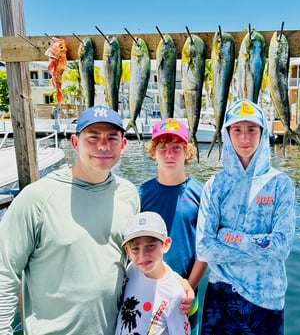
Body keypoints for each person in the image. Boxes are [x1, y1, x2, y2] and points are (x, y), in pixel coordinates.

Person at [0, 106, 192, 335]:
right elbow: (5, 272)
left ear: (123, 145)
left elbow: (136, 256)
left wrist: (176, 281)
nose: (102, 146)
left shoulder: (128, 194)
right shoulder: (36, 198)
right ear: (74, 142)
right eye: (93, 137)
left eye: (112, 138)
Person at [196, 99, 296, 335]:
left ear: (262, 132)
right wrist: (261, 248)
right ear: (227, 133)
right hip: (220, 297)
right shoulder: (215, 185)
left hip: (267, 299)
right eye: (237, 130)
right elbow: (204, 249)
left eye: (252, 130)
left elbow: (282, 247)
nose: (245, 138)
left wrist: (230, 237)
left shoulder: (281, 184)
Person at [139, 118, 207, 334]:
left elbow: (206, 248)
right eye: (162, 148)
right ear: (153, 152)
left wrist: (189, 285)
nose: (169, 154)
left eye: (176, 148)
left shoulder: (202, 193)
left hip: (185, 293)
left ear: (187, 152)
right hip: (147, 289)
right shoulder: (140, 194)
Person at [116, 211, 191, 335]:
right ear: (127, 251)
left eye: (150, 246)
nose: (142, 255)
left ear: (166, 244)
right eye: (135, 248)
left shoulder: (176, 294)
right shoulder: (132, 270)